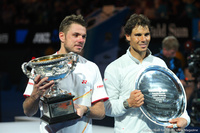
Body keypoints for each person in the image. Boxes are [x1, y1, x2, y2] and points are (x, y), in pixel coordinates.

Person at [103, 14, 190, 133]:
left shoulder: (159, 64)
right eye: (138, 35)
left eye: (146, 34)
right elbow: (107, 108)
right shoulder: (114, 68)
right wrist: (127, 103)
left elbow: (172, 99)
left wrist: (185, 118)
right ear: (128, 36)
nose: (143, 39)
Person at [22, 14, 109, 133]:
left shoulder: (92, 68)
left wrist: (85, 109)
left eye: (84, 36)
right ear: (62, 36)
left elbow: (101, 112)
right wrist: (35, 95)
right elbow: (28, 112)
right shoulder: (42, 66)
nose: (81, 40)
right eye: (76, 35)